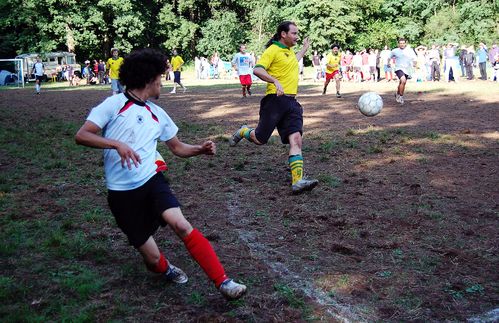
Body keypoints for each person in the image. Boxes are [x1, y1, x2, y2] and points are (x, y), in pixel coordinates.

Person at [75, 48, 247, 301]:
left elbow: (177, 148)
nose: (163, 82)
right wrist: (116, 144)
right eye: (161, 77)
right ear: (150, 79)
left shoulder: (158, 113)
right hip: (121, 195)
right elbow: (82, 135)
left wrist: (199, 149)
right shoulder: (114, 104)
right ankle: (165, 268)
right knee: (153, 260)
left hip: (151, 181)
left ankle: (223, 282)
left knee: (181, 224)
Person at [228, 21, 319, 194]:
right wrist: (274, 80)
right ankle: (244, 131)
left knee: (296, 139)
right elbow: (258, 70)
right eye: (294, 33)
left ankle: (297, 180)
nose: (297, 37)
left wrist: (304, 49)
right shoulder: (273, 50)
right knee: (260, 139)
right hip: (274, 101)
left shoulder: (289, 52)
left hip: (292, 103)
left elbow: (293, 62)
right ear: (283, 34)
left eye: (298, 34)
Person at [390, 38, 417, 105]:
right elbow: (389, 57)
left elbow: (415, 58)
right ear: (398, 44)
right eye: (400, 43)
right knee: (403, 80)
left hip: (407, 69)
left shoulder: (410, 51)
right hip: (398, 68)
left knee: (402, 83)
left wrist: (414, 64)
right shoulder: (395, 51)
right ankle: (401, 97)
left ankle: (397, 94)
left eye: (403, 43)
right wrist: (388, 63)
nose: (402, 44)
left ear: (405, 43)